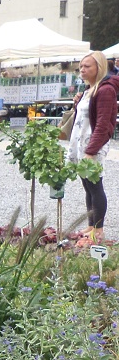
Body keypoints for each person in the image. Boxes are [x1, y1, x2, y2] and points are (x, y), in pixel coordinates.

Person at [66, 51, 119, 244]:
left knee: (95, 186)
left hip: (92, 145)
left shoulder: (105, 91)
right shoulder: (89, 89)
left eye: (87, 66)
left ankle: (99, 229)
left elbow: (103, 124)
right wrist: (77, 104)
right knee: (87, 186)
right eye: (81, 66)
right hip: (81, 144)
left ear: (99, 67)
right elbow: (85, 117)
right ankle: (91, 225)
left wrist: (91, 151)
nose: (82, 69)